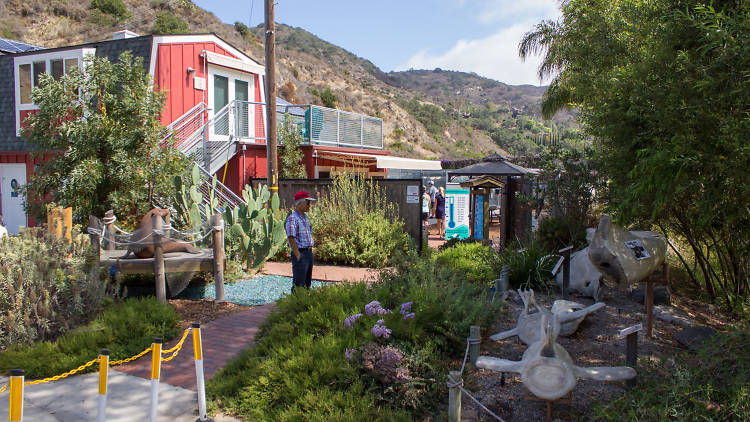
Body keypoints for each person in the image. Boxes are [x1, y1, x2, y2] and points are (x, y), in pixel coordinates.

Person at [285, 191, 317, 292]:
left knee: (307, 282)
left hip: (308, 253)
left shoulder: (304, 217)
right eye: (307, 203)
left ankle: (304, 304)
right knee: (299, 283)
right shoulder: (293, 218)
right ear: (300, 203)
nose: (309, 206)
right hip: (301, 253)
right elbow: (291, 237)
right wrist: (298, 255)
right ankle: (295, 304)